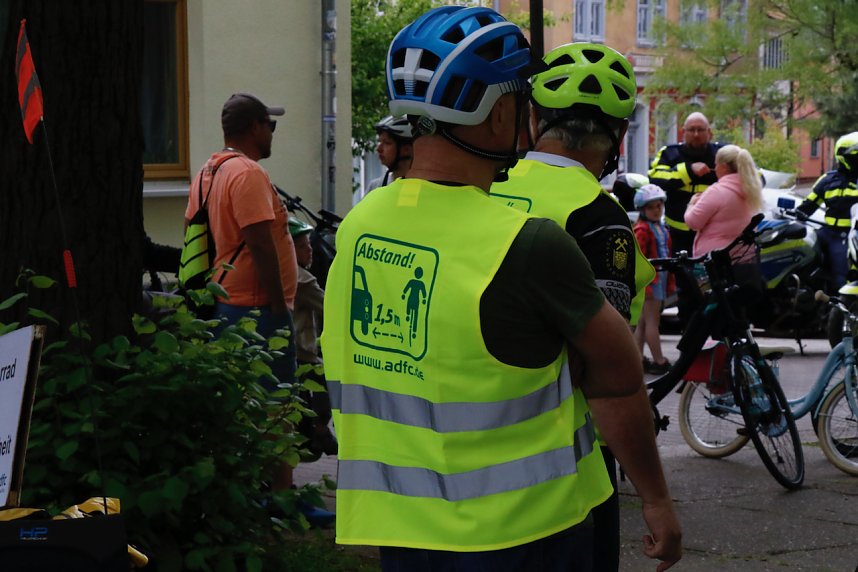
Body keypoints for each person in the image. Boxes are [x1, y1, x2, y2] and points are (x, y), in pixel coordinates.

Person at [321, 6, 681, 571]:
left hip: (404, 530)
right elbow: (615, 384)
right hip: (528, 533)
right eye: (521, 102)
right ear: (496, 118)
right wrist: (657, 501)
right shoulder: (527, 243)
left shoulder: (363, 224)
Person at [490, 42, 656, 571]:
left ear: (534, 118)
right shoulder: (599, 217)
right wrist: (656, 497)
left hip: (476, 446)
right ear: (619, 138)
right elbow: (604, 372)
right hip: (565, 464)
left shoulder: (488, 187)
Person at [184, 92, 298, 492]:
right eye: (271, 125)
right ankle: (282, 500)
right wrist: (277, 306)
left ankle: (249, 496)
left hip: (225, 303)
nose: (272, 133)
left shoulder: (208, 172)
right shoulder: (247, 173)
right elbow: (260, 240)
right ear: (254, 127)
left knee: (242, 406)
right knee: (276, 404)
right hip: (256, 308)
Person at [288, 217, 338, 460]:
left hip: (285, 348)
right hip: (302, 352)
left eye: (308, 244)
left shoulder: (277, 271)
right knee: (325, 379)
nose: (310, 250)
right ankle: (319, 430)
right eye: (302, 246)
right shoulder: (304, 280)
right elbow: (330, 306)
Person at [649, 111, 725, 256]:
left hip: (715, 235)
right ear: (683, 132)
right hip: (676, 235)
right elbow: (655, 178)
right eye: (691, 130)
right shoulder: (669, 153)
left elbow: (751, 176)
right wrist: (689, 170)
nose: (696, 134)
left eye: (700, 130)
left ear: (709, 132)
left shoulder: (722, 153)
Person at [796, 132, 858, 291]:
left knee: (840, 275)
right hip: (826, 232)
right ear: (843, 156)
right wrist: (799, 214)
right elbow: (808, 204)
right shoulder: (827, 179)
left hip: (848, 235)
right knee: (797, 254)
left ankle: (840, 308)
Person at [684, 144, 764, 257]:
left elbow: (693, 222)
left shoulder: (717, 191)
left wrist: (691, 204)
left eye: (716, 164)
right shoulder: (751, 190)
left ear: (724, 166)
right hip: (744, 257)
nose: (715, 168)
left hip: (716, 260)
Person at [633, 185, 675, 375]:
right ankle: (659, 360)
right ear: (642, 209)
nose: (656, 210)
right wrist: (646, 285)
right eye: (651, 207)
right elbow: (639, 259)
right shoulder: (642, 230)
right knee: (652, 322)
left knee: (642, 323)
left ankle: (637, 358)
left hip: (660, 279)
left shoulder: (660, 227)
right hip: (652, 281)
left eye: (659, 206)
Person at [365, 115, 414, 194]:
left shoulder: (423, 188)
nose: (379, 149)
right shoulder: (375, 187)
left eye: (387, 143)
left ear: (407, 149)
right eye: (379, 141)